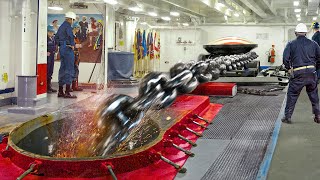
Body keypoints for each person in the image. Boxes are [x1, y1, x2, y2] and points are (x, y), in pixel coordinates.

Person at [282, 23, 320, 124]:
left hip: (298, 73)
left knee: (292, 94)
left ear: (295, 33)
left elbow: (285, 58)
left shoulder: (291, 44)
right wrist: (315, 69)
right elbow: (319, 58)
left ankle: (288, 117)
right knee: (314, 96)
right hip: (312, 73)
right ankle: (318, 116)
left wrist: (288, 68)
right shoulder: (314, 44)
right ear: (306, 33)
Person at [55, 12, 77, 98]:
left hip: (62, 49)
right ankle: (67, 92)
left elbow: (56, 37)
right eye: (73, 20)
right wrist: (72, 45)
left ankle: (60, 91)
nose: (73, 21)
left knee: (62, 69)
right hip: (68, 49)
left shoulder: (61, 27)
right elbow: (71, 36)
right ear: (70, 19)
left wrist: (60, 45)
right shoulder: (68, 26)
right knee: (69, 69)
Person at [71, 22, 83, 91]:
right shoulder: (71, 37)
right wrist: (77, 45)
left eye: (78, 28)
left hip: (76, 56)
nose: (78, 29)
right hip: (72, 56)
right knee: (72, 70)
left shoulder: (75, 36)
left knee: (76, 70)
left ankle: (74, 86)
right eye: (77, 28)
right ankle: (71, 86)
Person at [47, 25, 57, 93]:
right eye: (50, 32)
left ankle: (49, 86)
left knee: (51, 71)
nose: (52, 33)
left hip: (52, 55)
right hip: (47, 57)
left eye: (52, 32)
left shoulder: (53, 38)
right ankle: (46, 87)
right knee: (47, 71)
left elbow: (55, 46)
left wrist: (55, 53)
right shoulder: (45, 38)